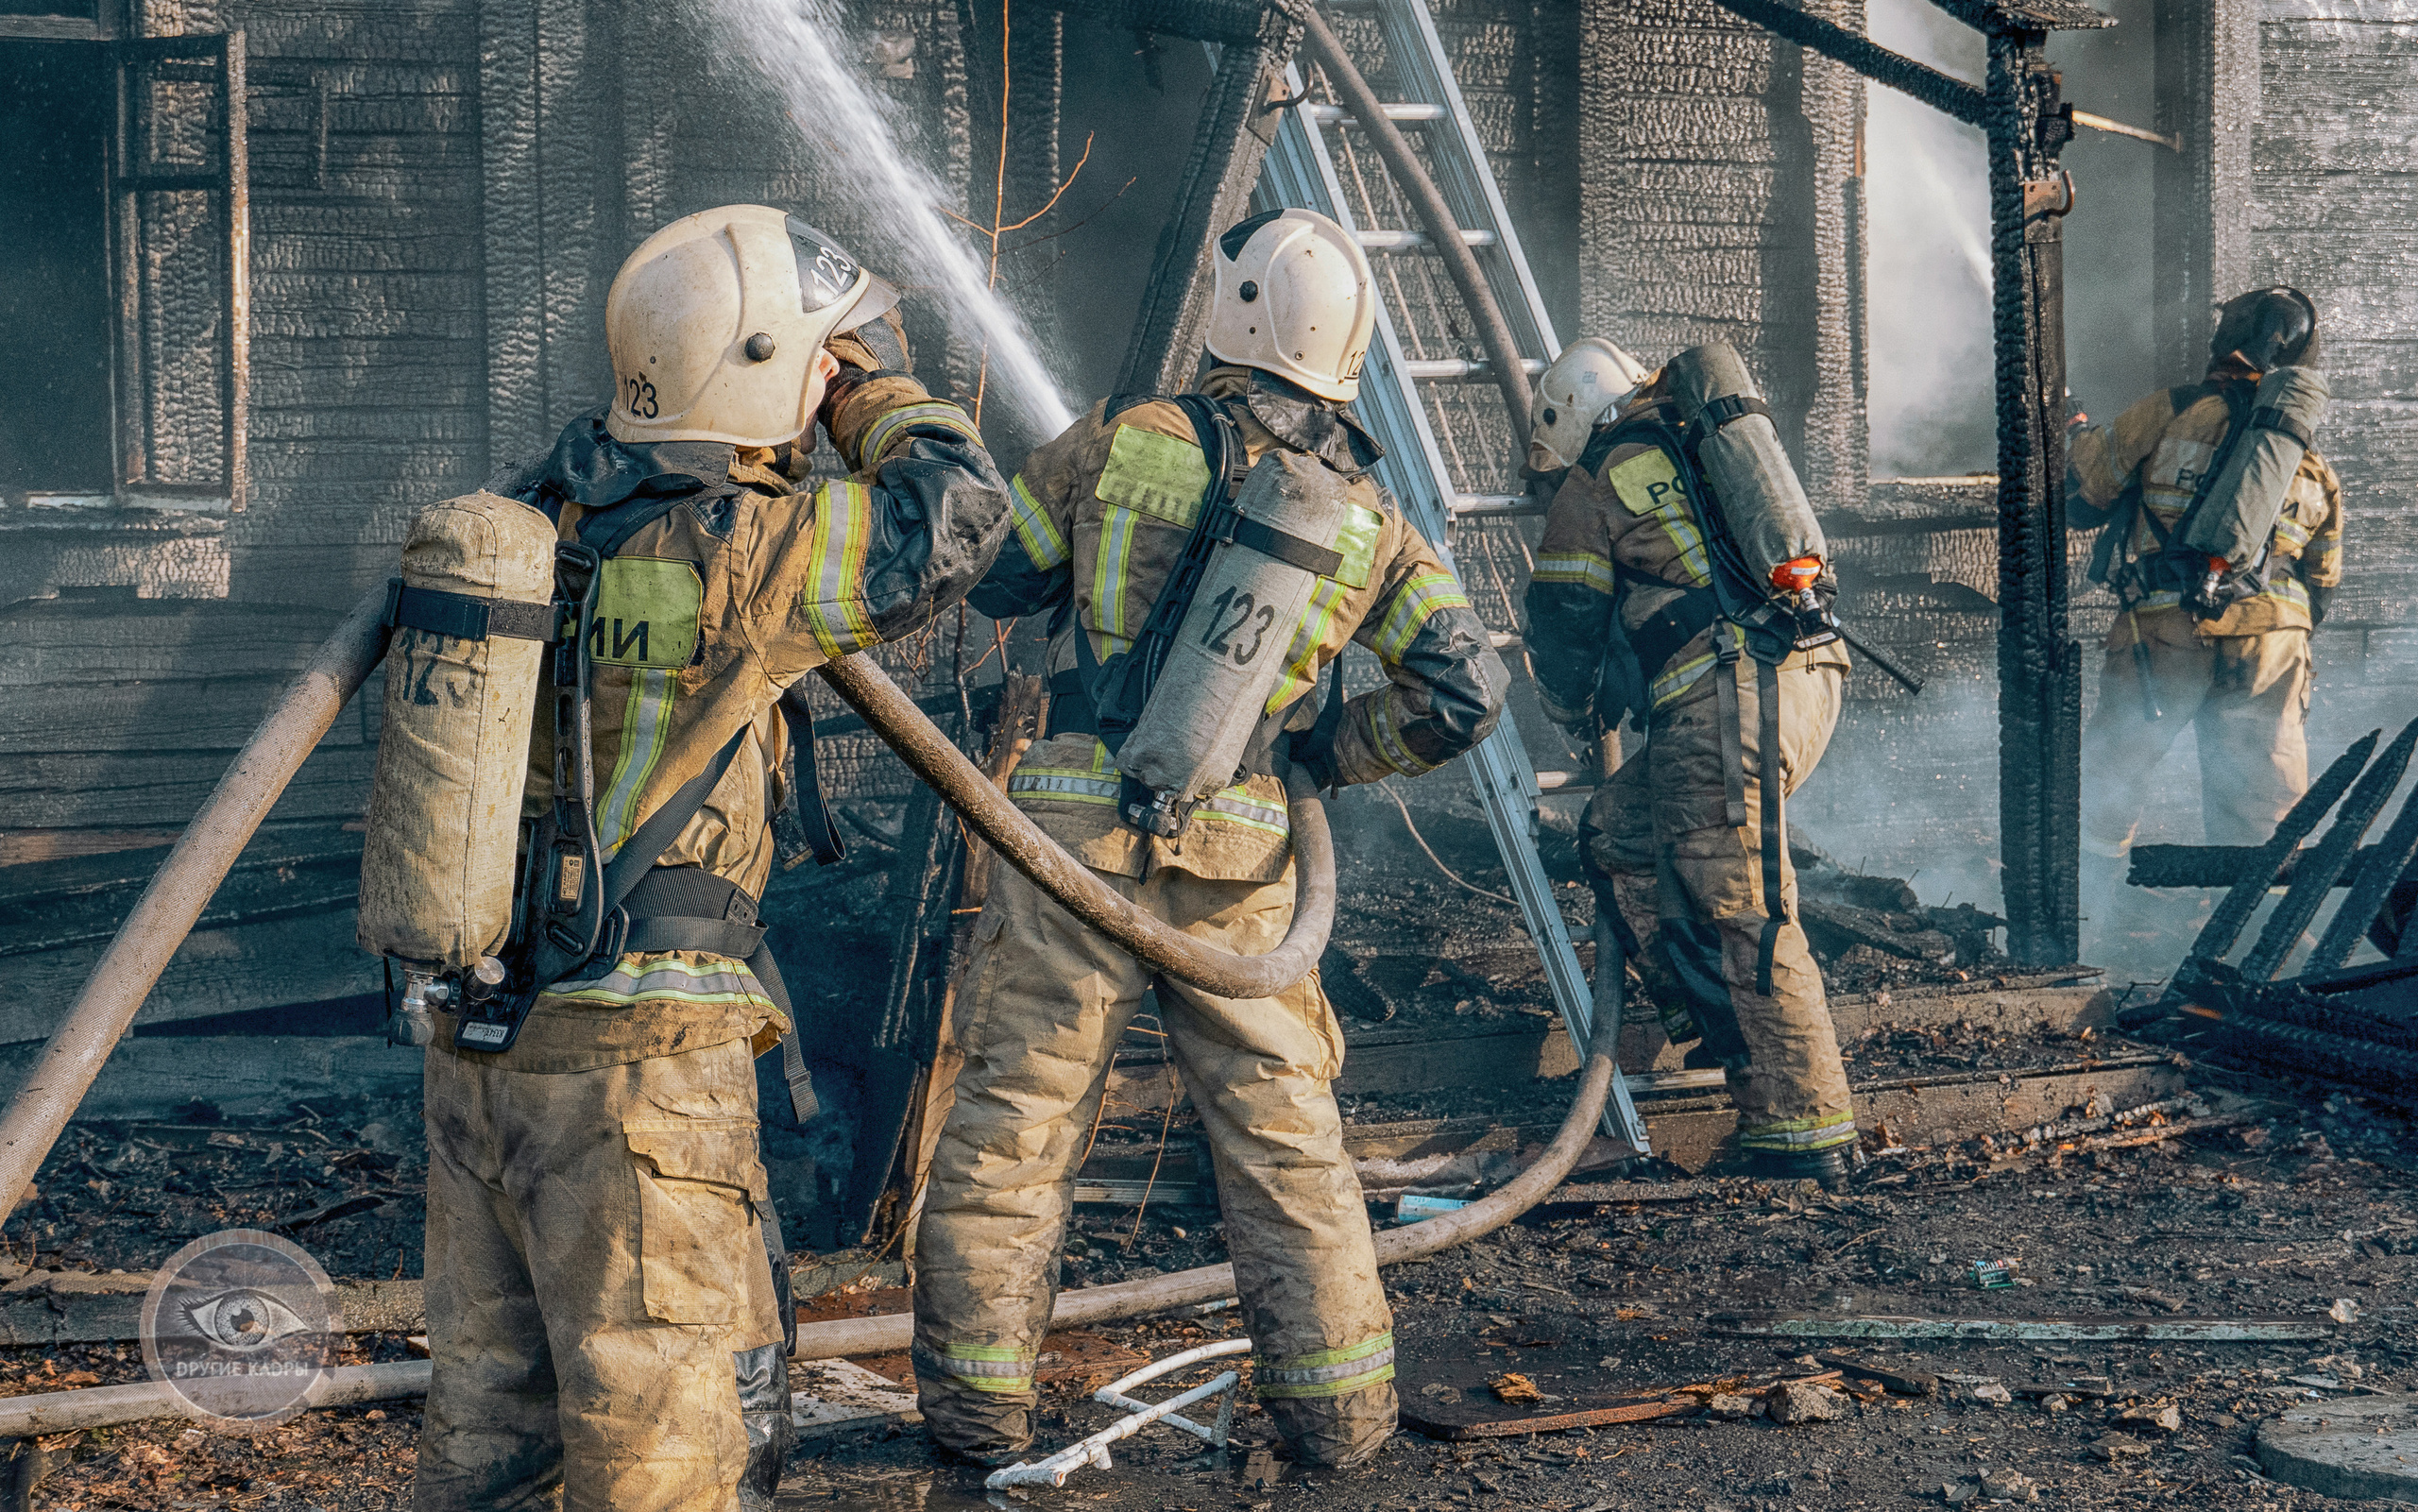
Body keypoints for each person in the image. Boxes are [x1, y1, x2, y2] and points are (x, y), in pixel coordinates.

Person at [411, 206, 1010, 1511]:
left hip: (478, 1051)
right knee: (662, 1456)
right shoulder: (742, 550)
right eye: (811, 359)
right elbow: (959, 516)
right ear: (766, 364)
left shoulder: (536, 516)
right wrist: (876, 396)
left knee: (494, 1442)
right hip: (637, 1076)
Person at [910, 206, 1507, 1471]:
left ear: (1236, 313)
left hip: (1070, 838)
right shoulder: (1370, 522)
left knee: (1015, 1125)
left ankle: (973, 1423)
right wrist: (1328, 756)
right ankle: (1341, 1423)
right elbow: (1466, 692)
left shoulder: (1120, 444)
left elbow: (1002, 577)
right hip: (1244, 857)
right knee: (1289, 1143)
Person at [1521, 337, 1858, 1188]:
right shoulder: (1700, 446)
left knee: (1745, 904)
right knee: (1621, 833)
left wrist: (1568, 709)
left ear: (1569, 422)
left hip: (1727, 696)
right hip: (1801, 672)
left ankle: (1807, 1132)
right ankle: (1723, 1028)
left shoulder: (1596, 476)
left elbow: (1564, 618)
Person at [2069, 286, 2342, 871]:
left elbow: (2092, 485)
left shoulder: (2173, 409)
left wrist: (2075, 428)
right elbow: (2324, 575)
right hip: (2275, 645)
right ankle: (2254, 938)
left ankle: (2091, 911)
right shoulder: (2308, 457)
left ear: (2226, 341)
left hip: (2167, 629)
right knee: (2262, 811)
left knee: (2110, 784)